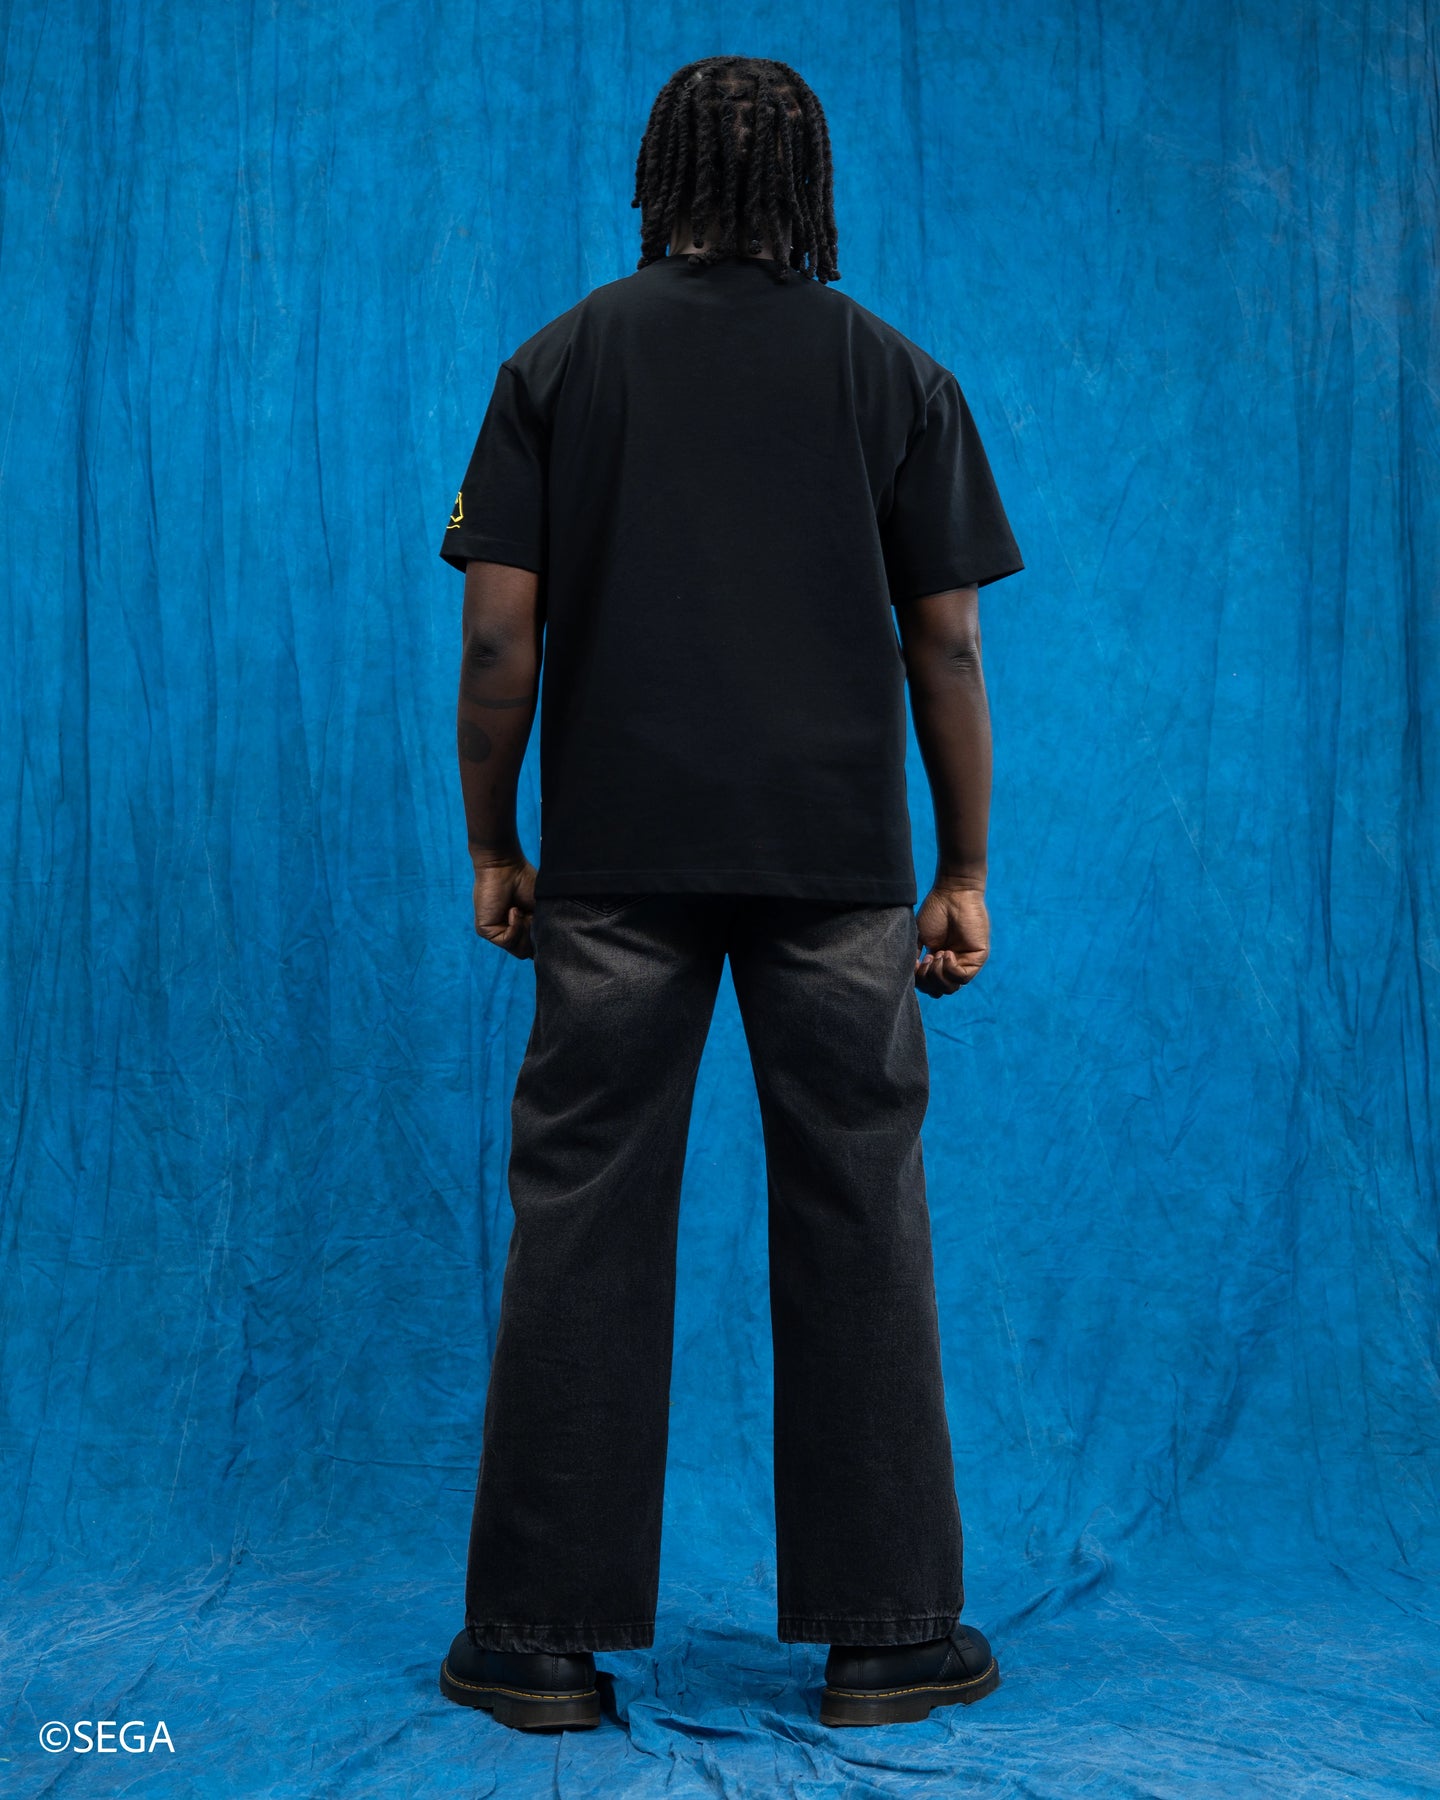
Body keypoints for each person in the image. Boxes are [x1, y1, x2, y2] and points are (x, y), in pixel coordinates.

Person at [434, 54, 1024, 1733]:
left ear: (658, 177)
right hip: (837, 870)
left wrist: (494, 843)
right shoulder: (893, 372)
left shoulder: (559, 361)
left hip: (616, 862)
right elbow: (946, 644)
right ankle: (891, 1637)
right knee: (860, 1209)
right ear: (809, 190)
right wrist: (962, 868)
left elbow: (498, 639)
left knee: (582, 1212)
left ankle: (535, 1646)